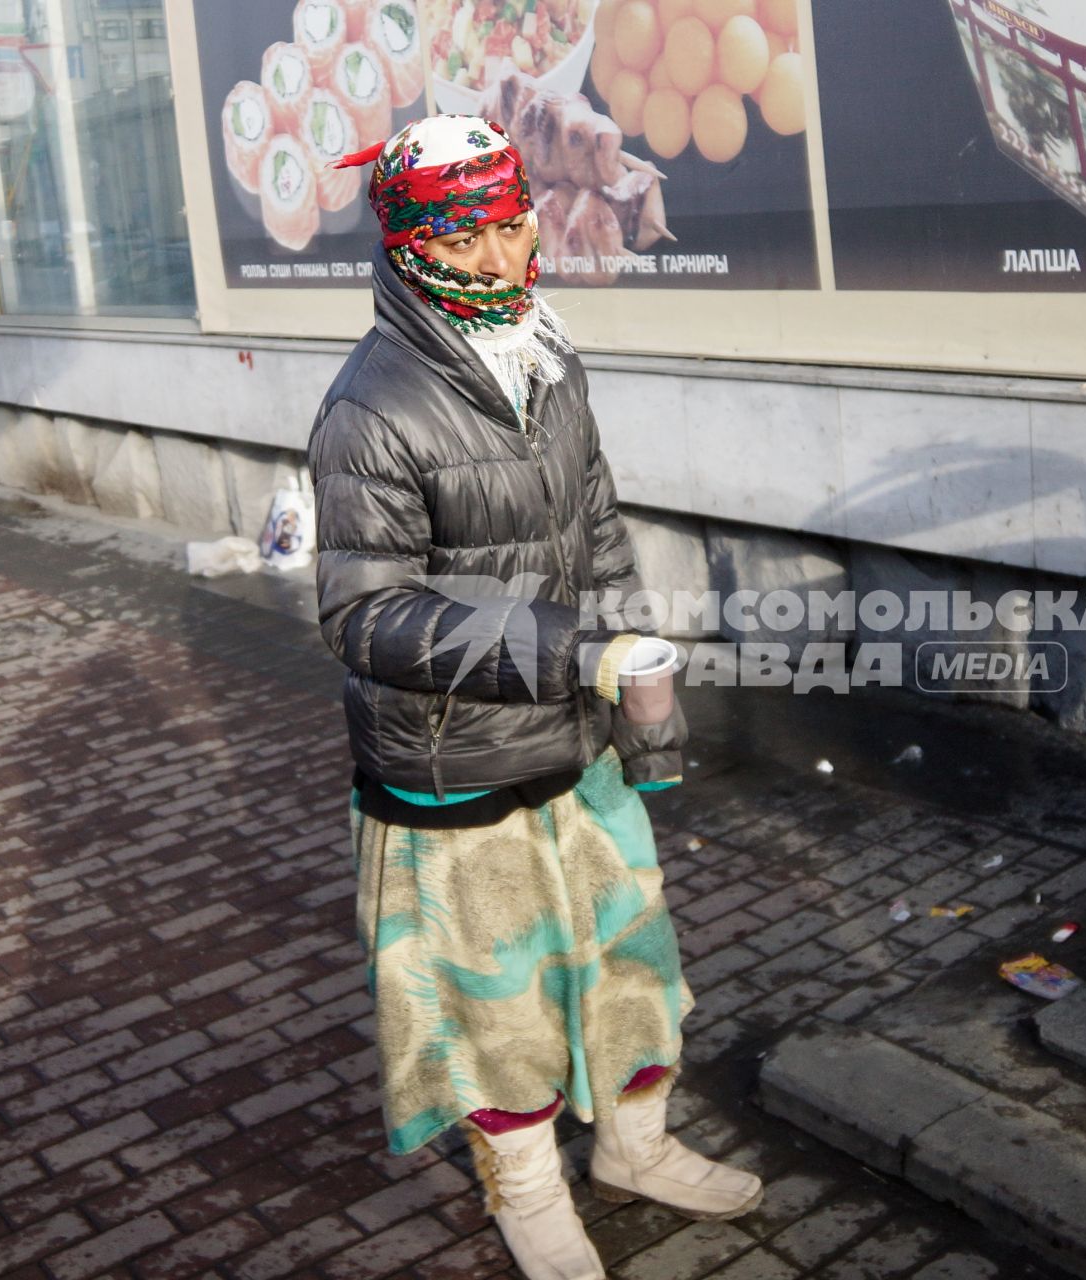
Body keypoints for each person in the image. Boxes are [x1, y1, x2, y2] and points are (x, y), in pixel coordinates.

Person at [306, 115, 761, 1280]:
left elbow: (595, 530)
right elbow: (366, 616)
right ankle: (528, 1191)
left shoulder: (545, 354)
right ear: (415, 249)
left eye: (513, 223)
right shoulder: (369, 409)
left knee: (628, 958)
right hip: (449, 764)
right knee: (488, 1000)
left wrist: (626, 660)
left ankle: (635, 1146)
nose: (510, 255)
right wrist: (572, 654)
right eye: (475, 237)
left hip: (574, 737)